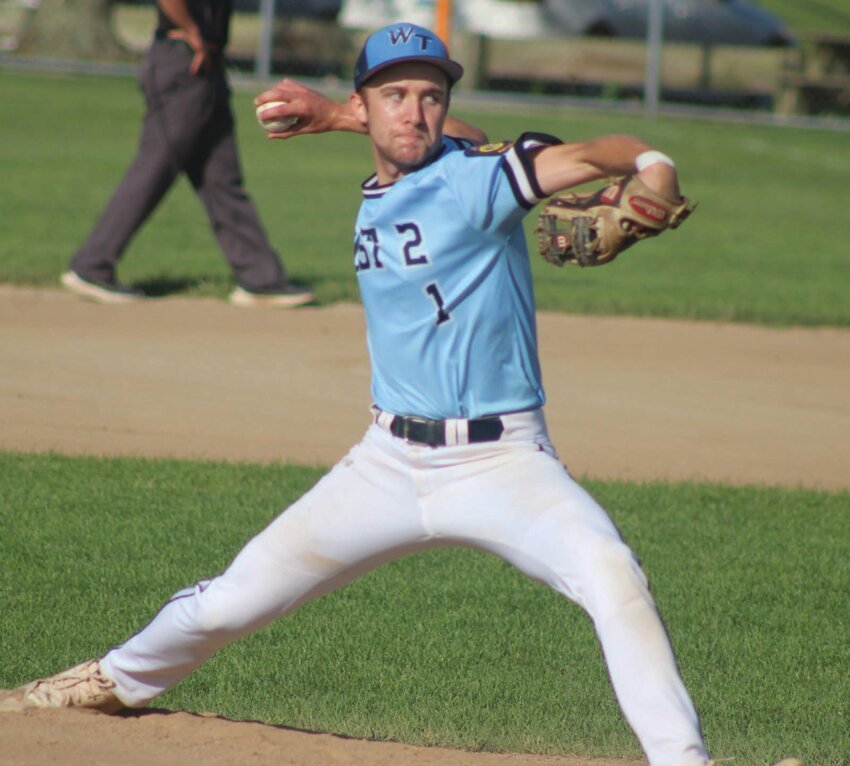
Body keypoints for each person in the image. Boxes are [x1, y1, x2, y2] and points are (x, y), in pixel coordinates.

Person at [3, 22, 713, 766]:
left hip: (506, 465)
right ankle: (104, 680)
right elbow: (418, 134)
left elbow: (597, 153)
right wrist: (337, 115)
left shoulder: (481, 180)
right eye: (395, 95)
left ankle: (683, 759)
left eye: (432, 95)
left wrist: (653, 167)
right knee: (233, 600)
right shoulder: (384, 191)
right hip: (387, 463)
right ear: (364, 106)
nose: (416, 111)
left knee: (611, 573)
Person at [60, 0, 313, 308]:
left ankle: (261, 279)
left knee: (222, 180)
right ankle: (91, 265)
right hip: (184, 60)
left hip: (206, 64)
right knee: (153, 170)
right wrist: (192, 30)